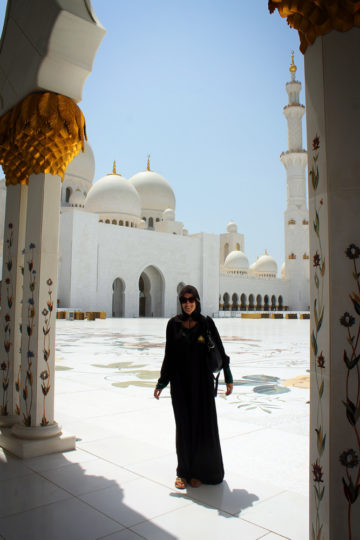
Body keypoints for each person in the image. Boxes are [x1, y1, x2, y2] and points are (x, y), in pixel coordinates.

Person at [154, 284, 233, 489]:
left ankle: (198, 471)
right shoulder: (173, 324)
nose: (187, 304)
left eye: (191, 300)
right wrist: (162, 381)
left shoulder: (205, 323)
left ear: (197, 301)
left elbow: (220, 350)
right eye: (184, 300)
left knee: (200, 426)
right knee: (183, 426)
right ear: (180, 302)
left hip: (202, 383)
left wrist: (229, 377)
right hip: (180, 384)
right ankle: (183, 471)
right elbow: (169, 355)